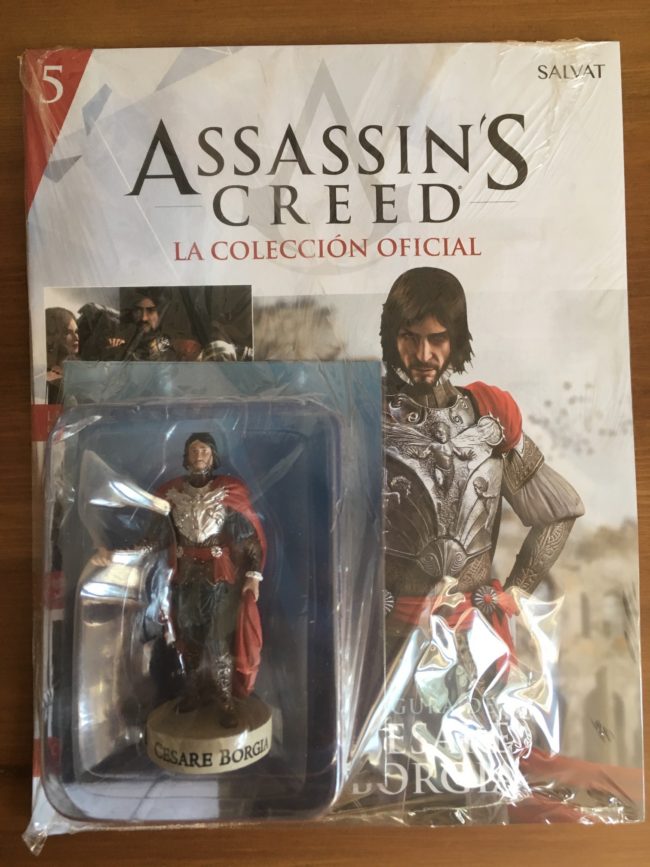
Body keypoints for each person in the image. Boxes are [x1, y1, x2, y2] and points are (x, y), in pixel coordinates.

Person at [380, 267, 584, 663]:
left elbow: (559, 512)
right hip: (387, 631)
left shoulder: (489, 412)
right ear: (392, 336)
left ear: (455, 338)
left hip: (474, 631)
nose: (423, 355)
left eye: (437, 338)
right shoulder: (367, 412)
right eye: (410, 337)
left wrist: (515, 593)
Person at [156, 433, 266, 728]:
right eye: (194, 450)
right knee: (190, 639)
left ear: (213, 455)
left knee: (218, 642)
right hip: (185, 577)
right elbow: (155, 536)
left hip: (220, 577)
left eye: (204, 450)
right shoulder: (171, 494)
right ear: (186, 456)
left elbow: (249, 539)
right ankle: (194, 691)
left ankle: (225, 700)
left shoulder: (228, 492)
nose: (199, 455)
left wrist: (253, 575)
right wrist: (120, 555)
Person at [45, 307, 79, 403]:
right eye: (67, 332)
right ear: (50, 337)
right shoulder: (47, 379)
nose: (76, 337)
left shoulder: (74, 373)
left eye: (76, 332)